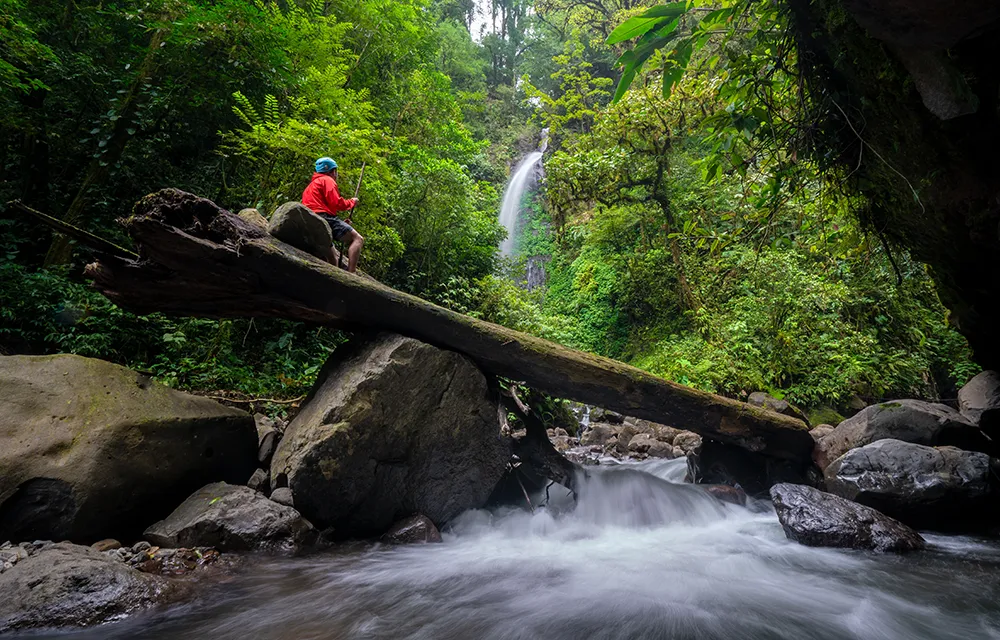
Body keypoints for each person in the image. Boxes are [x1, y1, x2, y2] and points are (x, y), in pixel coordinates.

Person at [301, 157, 364, 273]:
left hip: (312, 220)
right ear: (332, 171)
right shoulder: (327, 180)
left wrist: (341, 223)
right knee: (358, 239)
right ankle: (351, 274)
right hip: (323, 219)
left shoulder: (310, 186)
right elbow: (336, 203)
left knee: (333, 259)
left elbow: (323, 206)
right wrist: (352, 202)